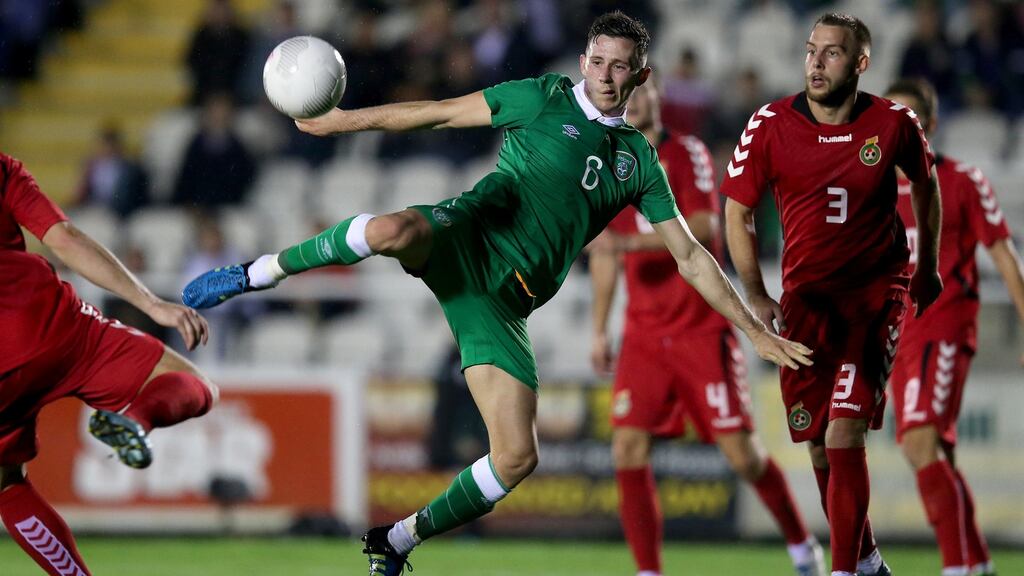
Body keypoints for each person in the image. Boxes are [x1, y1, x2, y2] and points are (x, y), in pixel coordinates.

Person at [183, 11, 812, 576]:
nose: (607, 74)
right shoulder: (539, 98)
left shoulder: (637, 162)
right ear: (581, 63)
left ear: (641, 73)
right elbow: (438, 110)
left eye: (621, 66)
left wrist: (753, 329)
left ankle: (399, 539)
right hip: (466, 239)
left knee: (516, 457)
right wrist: (343, 122)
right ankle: (255, 273)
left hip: (504, 304)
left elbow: (692, 256)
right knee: (393, 227)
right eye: (598, 61)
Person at [721, 13, 943, 576]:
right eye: (810, 51)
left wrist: (928, 267)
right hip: (805, 305)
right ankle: (866, 561)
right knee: (819, 442)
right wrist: (754, 290)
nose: (816, 64)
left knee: (845, 429)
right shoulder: (770, 124)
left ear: (861, 63)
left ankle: (842, 570)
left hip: (874, 299)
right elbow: (737, 209)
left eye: (833, 54)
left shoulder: (894, 123)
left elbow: (926, 183)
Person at [588, 79, 824, 576]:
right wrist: (598, 329)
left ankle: (803, 547)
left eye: (644, 89)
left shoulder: (687, 152)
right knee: (627, 447)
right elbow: (604, 256)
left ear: (657, 97)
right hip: (644, 335)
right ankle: (648, 571)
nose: (637, 98)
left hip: (699, 327)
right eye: (630, 92)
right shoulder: (607, 162)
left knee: (741, 455)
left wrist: (628, 246)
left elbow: (703, 226)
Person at [0, 153, 218, 576]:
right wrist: (151, 304)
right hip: (53, 325)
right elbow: (63, 237)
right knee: (192, 383)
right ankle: (136, 421)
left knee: (7, 482)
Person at [886, 78, 1024, 576]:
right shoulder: (870, 188)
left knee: (921, 444)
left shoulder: (962, 180)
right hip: (896, 339)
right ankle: (978, 561)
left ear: (931, 125)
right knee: (933, 449)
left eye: (912, 119)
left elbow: (1005, 256)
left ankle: (956, 566)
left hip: (944, 326)